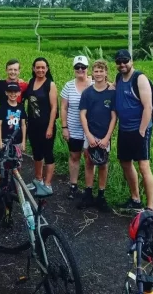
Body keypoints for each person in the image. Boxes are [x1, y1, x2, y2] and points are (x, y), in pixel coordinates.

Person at [114, 49, 153, 211]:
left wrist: (142, 130)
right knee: (125, 162)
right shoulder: (119, 78)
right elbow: (112, 89)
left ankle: (150, 207)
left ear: (132, 61)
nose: (122, 64)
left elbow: (148, 106)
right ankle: (135, 198)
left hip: (139, 129)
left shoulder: (140, 78)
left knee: (144, 166)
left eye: (125, 61)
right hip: (124, 128)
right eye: (118, 62)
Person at [77, 59, 117, 212]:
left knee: (103, 164)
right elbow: (83, 115)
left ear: (106, 73)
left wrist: (107, 137)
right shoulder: (88, 92)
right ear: (92, 73)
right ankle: (88, 193)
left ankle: (101, 195)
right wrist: (89, 135)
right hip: (90, 134)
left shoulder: (111, 92)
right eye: (96, 71)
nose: (98, 74)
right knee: (88, 162)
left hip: (105, 135)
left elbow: (114, 117)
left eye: (101, 71)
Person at [60, 55, 93, 199]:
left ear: (87, 68)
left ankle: (88, 189)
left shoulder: (94, 84)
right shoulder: (69, 85)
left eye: (83, 67)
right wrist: (64, 127)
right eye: (77, 67)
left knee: (89, 157)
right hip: (73, 127)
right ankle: (73, 185)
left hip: (91, 129)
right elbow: (64, 108)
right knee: (74, 156)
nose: (80, 70)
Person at [25, 57, 58, 194]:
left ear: (47, 69)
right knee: (36, 153)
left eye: (43, 67)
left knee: (48, 154)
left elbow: (54, 107)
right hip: (32, 125)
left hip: (46, 125)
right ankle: (38, 179)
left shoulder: (50, 84)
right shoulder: (30, 82)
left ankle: (47, 184)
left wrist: (50, 127)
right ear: (33, 69)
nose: (40, 70)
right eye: (37, 67)